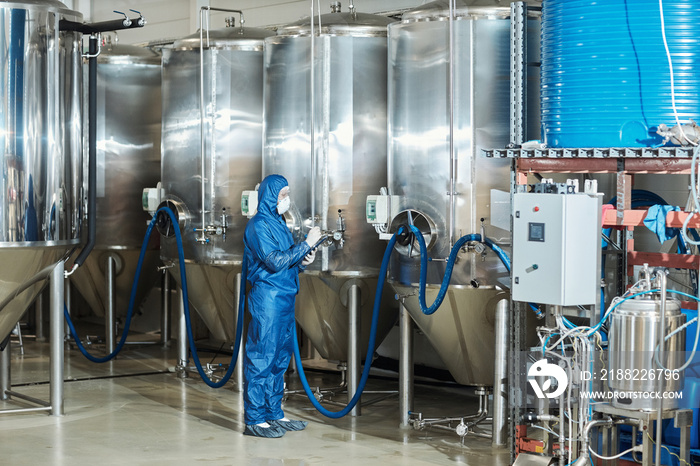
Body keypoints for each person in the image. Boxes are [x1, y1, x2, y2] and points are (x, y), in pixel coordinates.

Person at [242, 174, 322, 438]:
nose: (287, 199)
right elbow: (274, 261)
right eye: (283, 194)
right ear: (270, 195)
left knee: (279, 359)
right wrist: (307, 243)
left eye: (288, 194)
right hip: (268, 299)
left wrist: (303, 260)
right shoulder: (258, 226)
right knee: (262, 357)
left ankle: (273, 413)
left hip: (285, 297)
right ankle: (254, 419)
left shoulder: (279, 223)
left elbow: (288, 261)